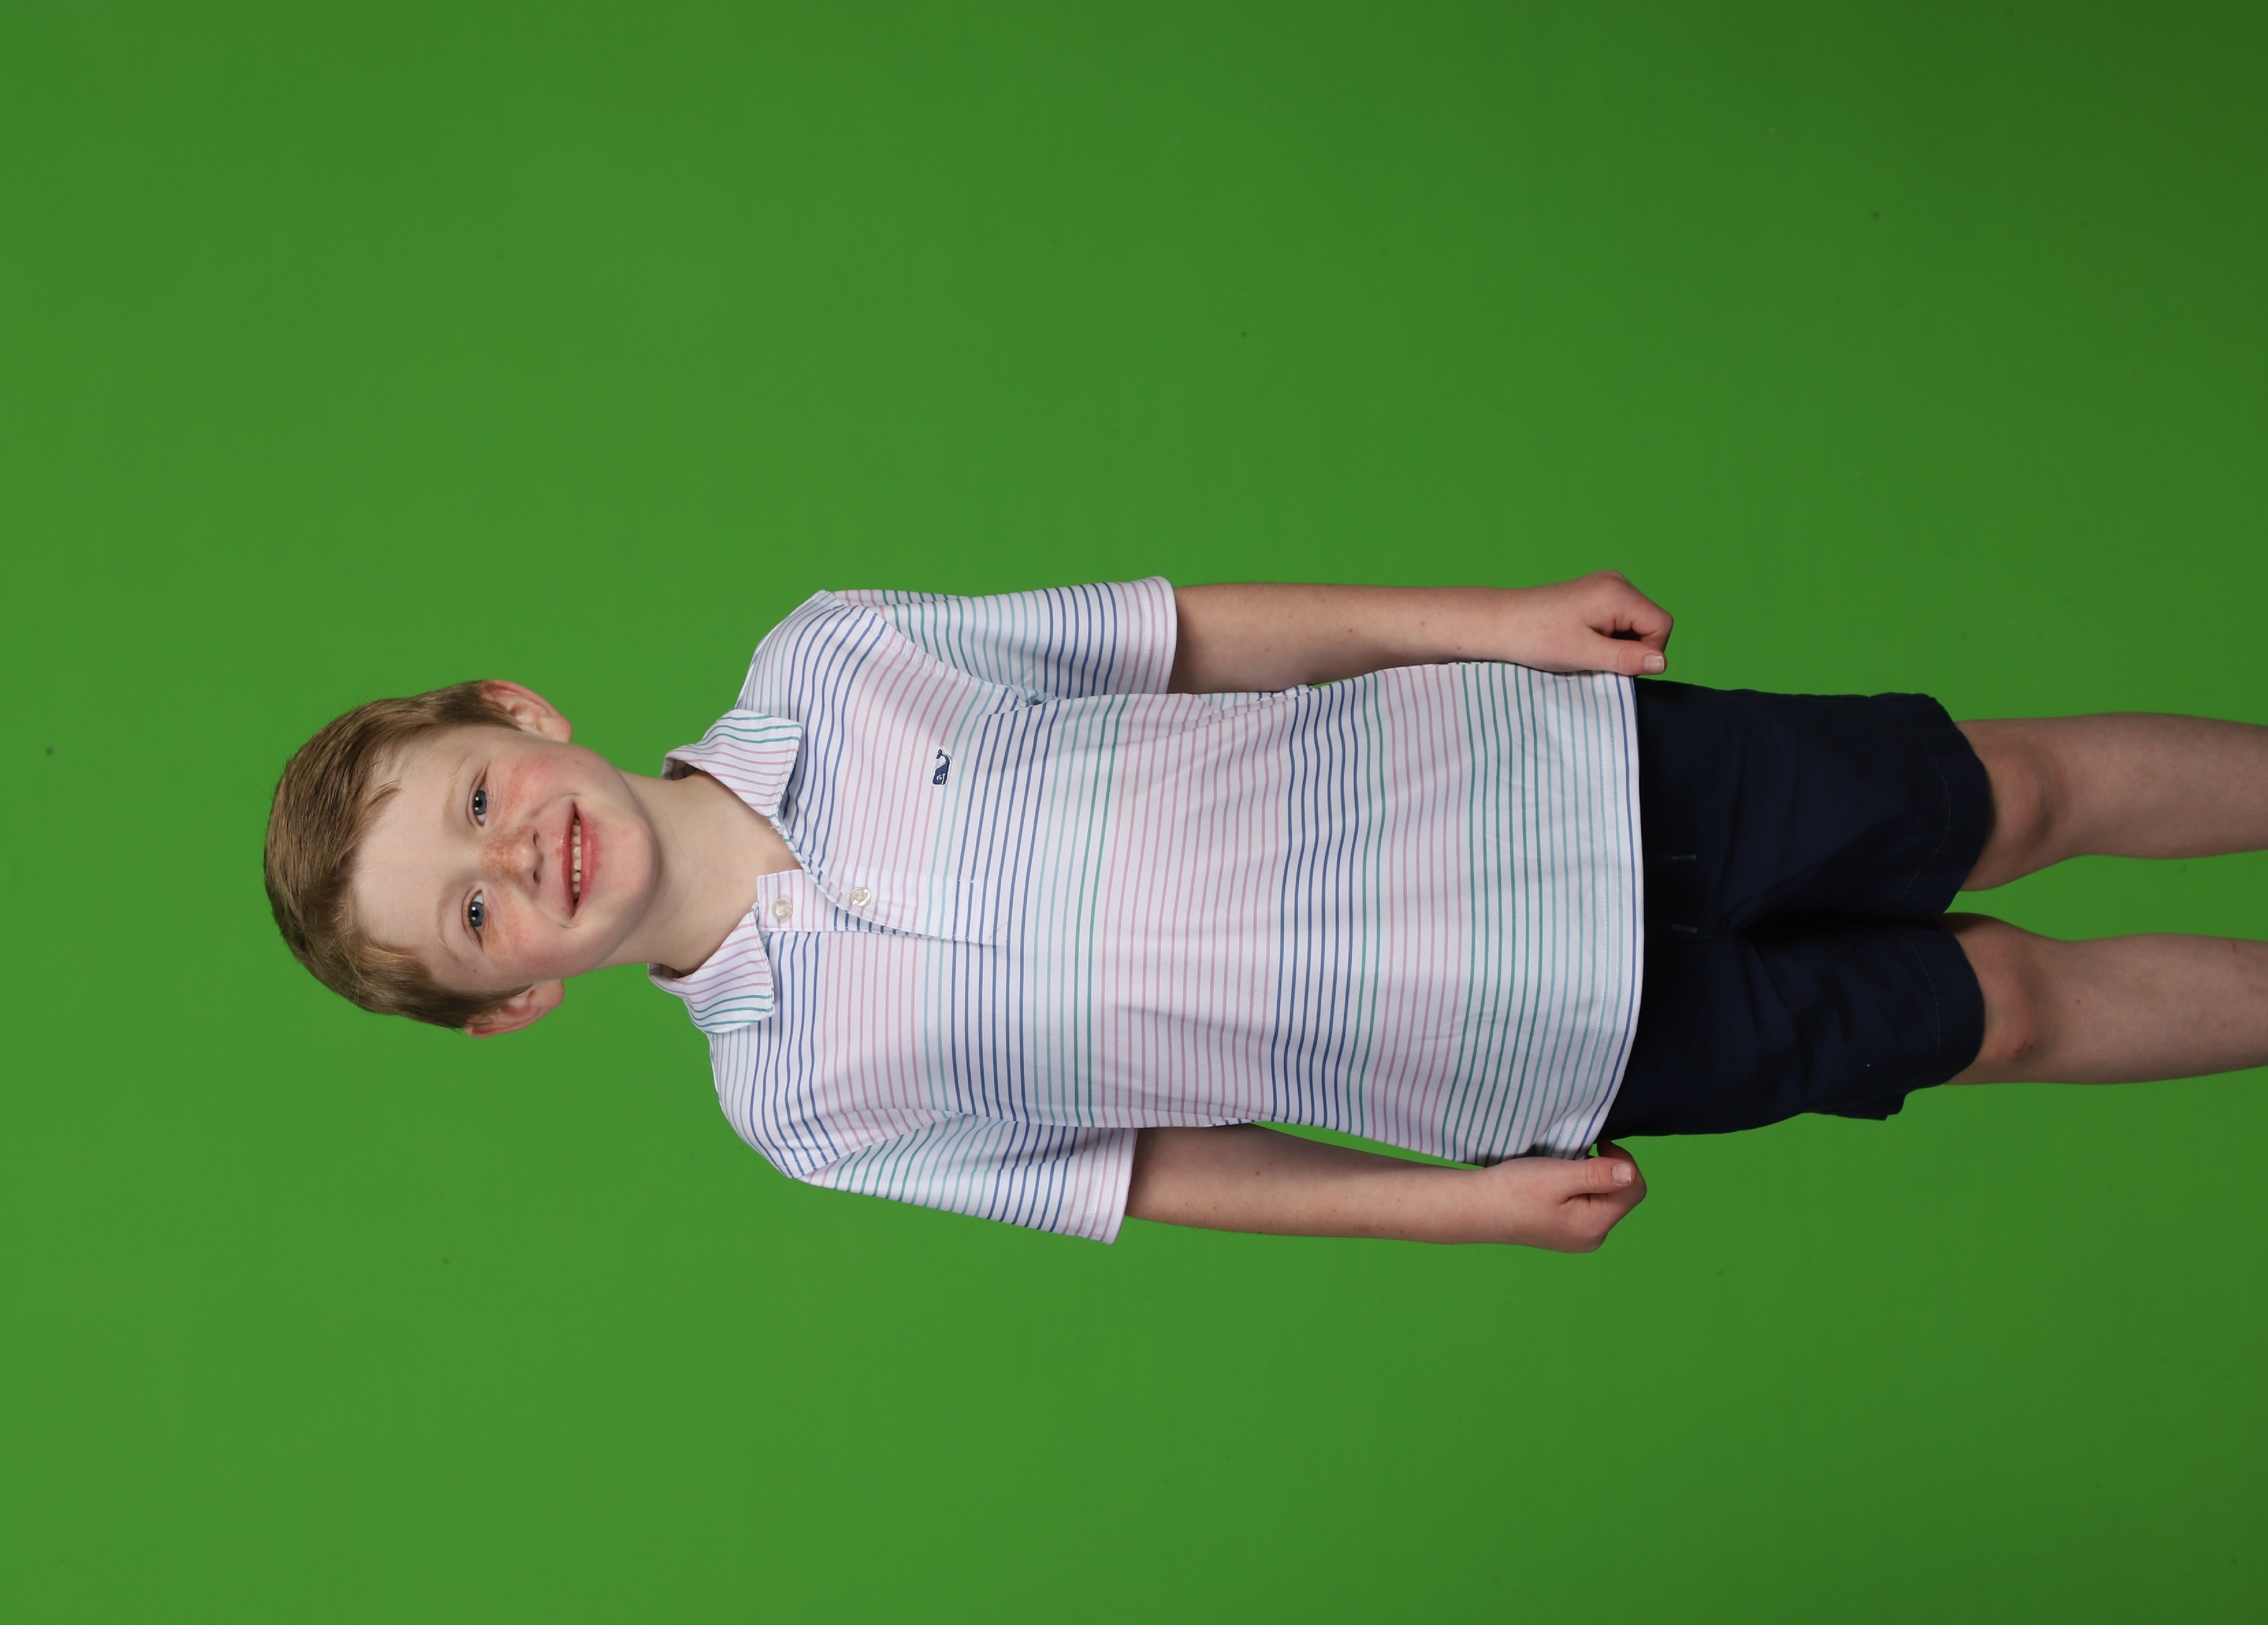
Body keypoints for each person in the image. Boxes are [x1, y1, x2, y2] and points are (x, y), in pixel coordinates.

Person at [262, 574, 2268, 1250]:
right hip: (1541, 1046)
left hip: (1553, 777)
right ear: (511, 1005)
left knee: (2016, 796)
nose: (515, 860)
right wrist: (1451, 1209)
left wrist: (1490, 621)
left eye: (475, 803)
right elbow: (1145, 1173)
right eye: (471, 921)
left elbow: (1185, 635)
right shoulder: (796, 1108)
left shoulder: (838, 659)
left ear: (517, 715)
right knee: (1998, 1013)